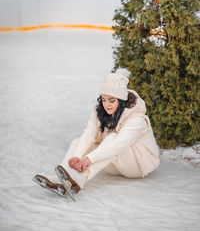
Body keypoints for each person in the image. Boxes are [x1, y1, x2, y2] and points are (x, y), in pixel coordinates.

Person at [33, 73, 160, 201]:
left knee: (112, 138)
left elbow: (118, 144)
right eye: (104, 99)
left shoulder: (137, 119)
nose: (107, 105)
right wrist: (77, 156)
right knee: (77, 142)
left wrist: (88, 159)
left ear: (121, 101)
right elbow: (89, 133)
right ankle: (63, 177)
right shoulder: (100, 111)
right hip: (113, 164)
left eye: (112, 100)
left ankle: (78, 179)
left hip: (136, 166)